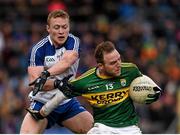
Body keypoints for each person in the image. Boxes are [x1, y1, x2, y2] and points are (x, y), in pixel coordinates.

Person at [30, 41, 162, 134]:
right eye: (112, 63)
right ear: (100, 66)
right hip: (102, 129)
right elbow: (62, 95)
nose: (118, 65)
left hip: (130, 129)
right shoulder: (85, 81)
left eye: (119, 59)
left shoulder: (131, 70)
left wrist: (156, 91)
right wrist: (43, 112)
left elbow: (144, 82)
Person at [20, 9, 93, 134]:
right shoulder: (38, 49)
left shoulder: (73, 41)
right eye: (56, 27)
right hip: (42, 103)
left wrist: (47, 74)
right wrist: (57, 83)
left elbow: (67, 61)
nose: (61, 31)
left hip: (67, 102)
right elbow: (34, 82)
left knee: (96, 132)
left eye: (64, 27)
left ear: (69, 27)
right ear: (48, 28)